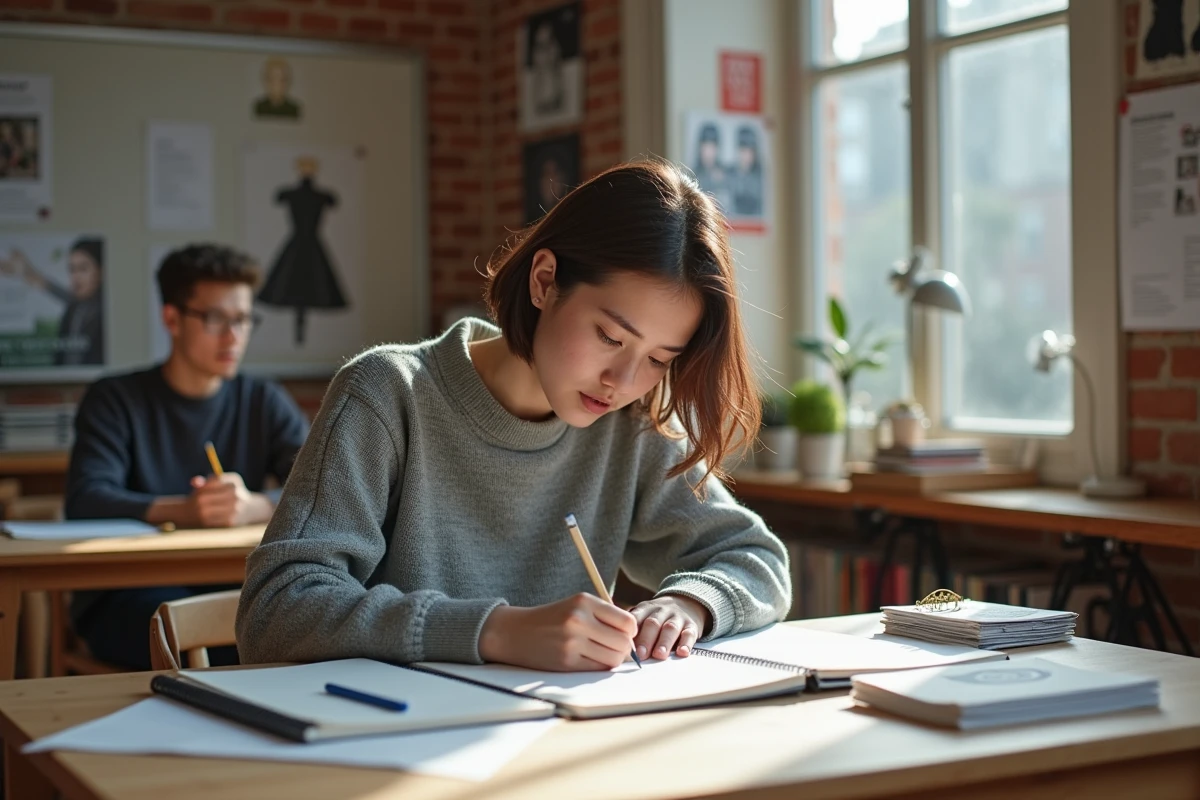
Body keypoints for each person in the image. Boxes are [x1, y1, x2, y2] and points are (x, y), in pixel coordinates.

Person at [236, 160, 791, 672]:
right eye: (609, 336)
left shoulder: (632, 425)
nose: (622, 382)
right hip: (387, 748)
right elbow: (277, 610)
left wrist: (689, 604)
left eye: (657, 360)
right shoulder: (387, 394)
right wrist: (494, 631)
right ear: (545, 281)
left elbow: (757, 557)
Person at [64, 244, 310, 670]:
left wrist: (255, 505)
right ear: (172, 318)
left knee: (294, 621)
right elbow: (87, 499)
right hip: (129, 591)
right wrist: (188, 509)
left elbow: (324, 486)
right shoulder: (115, 399)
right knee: (204, 630)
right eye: (216, 319)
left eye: (244, 320)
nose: (233, 337)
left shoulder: (263, 399)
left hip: (234, 583)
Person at [0, 238, 105, 366]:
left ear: (101, 271)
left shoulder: (105, 309)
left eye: (83, 269)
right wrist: (25, 271)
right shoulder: (76, 306)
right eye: (72, 269)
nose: (76, 277)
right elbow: (50, 287)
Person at [693, 123, 731, 212]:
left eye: (712, 147)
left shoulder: (726, 175)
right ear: (700, 148)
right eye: (705, 147)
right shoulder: (692, 175)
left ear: (717, 149)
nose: (709, 152)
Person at [729, 125, 764, 217]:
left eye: (750, 151)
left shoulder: (760, 178)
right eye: (743, 150)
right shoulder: (728, 175)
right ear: (737, 150)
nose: (747, 156)